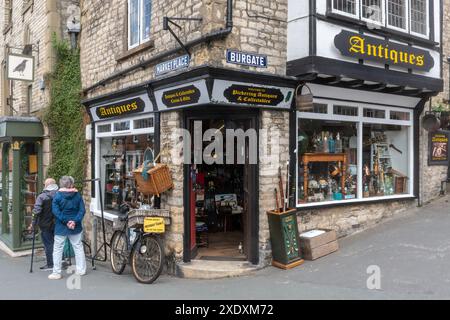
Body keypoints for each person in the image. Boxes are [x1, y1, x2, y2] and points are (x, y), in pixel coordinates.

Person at [48, 176, 86, 280]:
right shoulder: (77, 195)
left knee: (57, 249)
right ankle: (81, 270)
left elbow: (56, 211)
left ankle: (56, 272)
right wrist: (74, 221)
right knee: (78, 247)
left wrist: (66, 221)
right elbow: (82, 210)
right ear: (71, 184)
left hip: (61, 226)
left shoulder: (57, 196)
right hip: (75, 226)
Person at [31, 178, 59, 271]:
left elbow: (36, 211)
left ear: (46, 186)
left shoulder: (42, 196)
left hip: (45, 223)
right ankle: (59, 262)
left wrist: (33, 223)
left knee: (48, 244)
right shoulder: (59, 195)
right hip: (58, 223)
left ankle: (51, 264)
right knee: (58, 243)